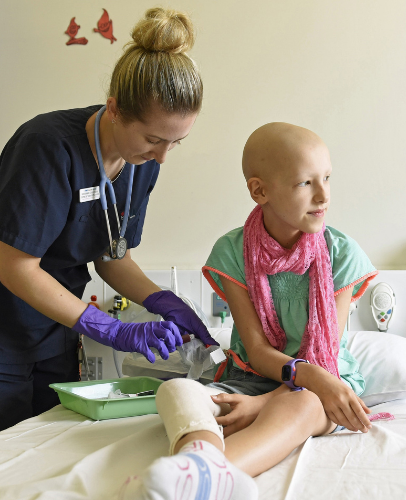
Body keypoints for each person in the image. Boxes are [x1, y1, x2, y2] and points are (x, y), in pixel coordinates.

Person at [0, 7, 217, 455]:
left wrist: (162, 300)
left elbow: (111, 254)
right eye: (154, 139)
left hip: (51, 331)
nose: (163, 156)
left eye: (175, 142)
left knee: (49, 457)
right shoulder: (46, 146)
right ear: (116, 108)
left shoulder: (140, 165)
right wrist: (111, 329)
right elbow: (16, 268)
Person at [120, 123, 378, 500]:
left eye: (326, 178)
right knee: (178, 390)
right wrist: (256, 397)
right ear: (260, 191)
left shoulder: (342, 254)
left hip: (325, 383)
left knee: (303, 403)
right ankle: (199, 456)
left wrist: (263, 405)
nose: (324, 195)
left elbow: (321, 362)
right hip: (252, 377)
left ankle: (208, 479)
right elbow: (255, 351)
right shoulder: (233, 252)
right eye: (306, 183)